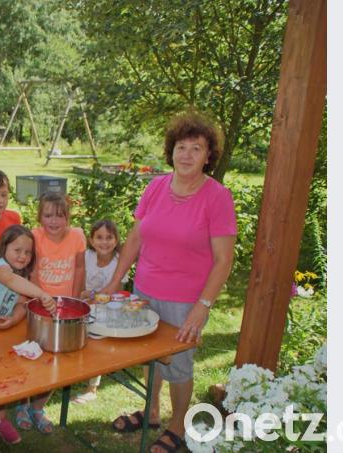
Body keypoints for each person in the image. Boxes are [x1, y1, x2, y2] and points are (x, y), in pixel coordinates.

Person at [100, 112, 236, 453]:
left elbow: (224, 260)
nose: (186, 154)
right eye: (181, 146)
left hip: (185, 300)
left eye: (196, 148)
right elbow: (134, 239)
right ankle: (152, 412)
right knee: (151, 356)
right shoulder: (156, 186)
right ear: (171, 151)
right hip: (145, 291)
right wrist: (115, 281)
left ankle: (178, 424)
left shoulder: (217, 197)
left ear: (208, 156)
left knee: (177, 364)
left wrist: (202, 308)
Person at [0, 224, 55, 448]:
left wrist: (14, 320)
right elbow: (10, 282)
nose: (23, 256)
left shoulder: (20, 274)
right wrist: (42, 293)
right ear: (4, 248)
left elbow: (20, 304)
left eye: (27, 252)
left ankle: (0, 420)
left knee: (1, 376)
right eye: (17, 250)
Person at [16, 191, 86, 434]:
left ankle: (38, 408)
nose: (54, 221)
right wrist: (37, 302)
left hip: (66, 309)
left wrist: (74, 301)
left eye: (60, 215)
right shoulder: (34, 237)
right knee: (31, 358)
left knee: (56, 362)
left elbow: (79, 268)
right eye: (47, 215)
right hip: (39, 307)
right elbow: (32, 272)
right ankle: (22, 405)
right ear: (39, 217)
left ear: (68, 216)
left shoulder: (77, 236)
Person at [72, 219, 128, 404]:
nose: (104, 242)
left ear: (116, 239)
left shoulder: (120, 261)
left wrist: (92, 297)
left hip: (108, 310)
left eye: (109, 237)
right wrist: (82, 296)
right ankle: (74, 375)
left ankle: (92, 387)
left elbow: (117, 290)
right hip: (84, 306)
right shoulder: (87, 256)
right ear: (91, 239)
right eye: (100, 237)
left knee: (98, 347)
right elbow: (79, 281)